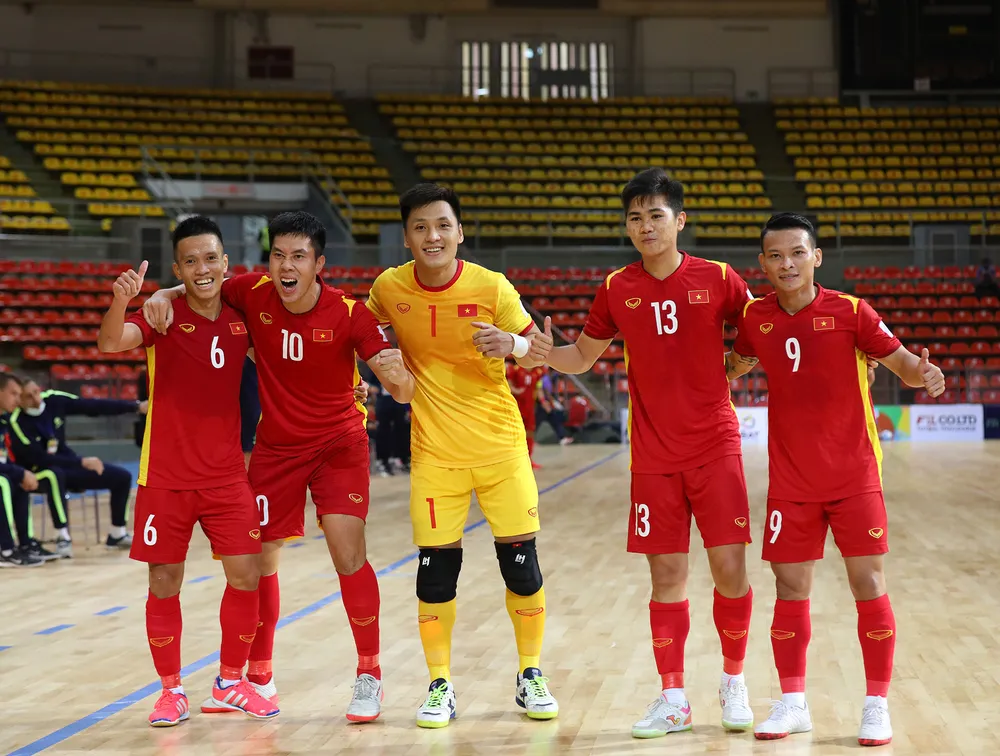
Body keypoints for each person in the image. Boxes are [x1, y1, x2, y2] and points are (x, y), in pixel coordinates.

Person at [142, 210, 415, 723]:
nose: (287, 266)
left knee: (347, 552)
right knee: (259, 561)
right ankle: (258, 675)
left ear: (319, 265)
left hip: (338, 445)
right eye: (279, 255)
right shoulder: (252, 291)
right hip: (276, 449)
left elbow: (401, 390)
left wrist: (397, 379)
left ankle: (369, 673)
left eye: (299, 257)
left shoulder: (350, 313)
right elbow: (202, 282)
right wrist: (164, 294)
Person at [535, 168, 756, 738]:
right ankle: (674, 697)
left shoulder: (719, 277)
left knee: (730, 570)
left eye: (656, 215)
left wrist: (736, 364)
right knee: (666, 576)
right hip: (653, 454)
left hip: (715, 445)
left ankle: (734, 681)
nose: (645, 226)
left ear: (680, 220)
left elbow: (761, 330)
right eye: (635, 218)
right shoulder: (617, 286)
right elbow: (581, 357)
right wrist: (537, 351)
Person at [726, 213, 945, 746]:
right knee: (789, 589)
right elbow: (734, 363)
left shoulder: (851, 311)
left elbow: (902, 363)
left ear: (816, 257)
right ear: (762, 264)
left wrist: (925, 374)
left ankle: (876, 706)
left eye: (797, 253)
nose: (787, 264)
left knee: (868, 585)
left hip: (854, 476)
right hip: (791, 482)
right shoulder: (756, 317)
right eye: (776, 256)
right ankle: (793, 703)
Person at [364, 183, 557, 728]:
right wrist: (369, 372)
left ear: (460, 232)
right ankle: (440, 684)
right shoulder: (388, 287)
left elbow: (540, 353)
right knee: (435, 576)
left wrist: (515, 345)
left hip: (501, 450)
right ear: (406, 238)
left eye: (443, 225)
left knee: (522, 569)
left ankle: (530, 673)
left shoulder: (491, 286)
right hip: (434, 456)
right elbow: (354, 328)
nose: (433, 236)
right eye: (421, 227)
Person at [97, 217, 279, 726]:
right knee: (163, 581)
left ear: (225, 263)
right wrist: (123, 300)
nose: (203, 269)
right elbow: (110, 343)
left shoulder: (243, 315)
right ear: (178, 268)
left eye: (210, 258)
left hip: (227, 476)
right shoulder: (161, 315)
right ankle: (170, 690)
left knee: (247, 575)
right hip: (165, 478)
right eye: (191, 261)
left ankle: (229, 682)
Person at [9, 378, 147, 549]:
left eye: (36, 392)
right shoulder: (16, 421)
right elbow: (40, 458)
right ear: (19, 399)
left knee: (122, 477)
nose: (36, 399)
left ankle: (117, 533)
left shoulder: (53, 400)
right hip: (37, 473)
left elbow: (91, 406)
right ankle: (62, 536)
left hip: (68, 466)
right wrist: (81, 461)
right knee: (54, 475)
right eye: (28, 397)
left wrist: (135, 407)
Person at [0, 373, 46, 567]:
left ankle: (26, 544)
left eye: (20, 395)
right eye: (13, 394)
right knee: (3, 482)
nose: (18, 400)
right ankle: (5, 549)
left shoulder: (3, 422)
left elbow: (4, 460)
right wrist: (20, 472)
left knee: (18, 481)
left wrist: (21, 473)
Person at [507, 361, 540, 468]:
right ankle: (515, 460)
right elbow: (508, 384)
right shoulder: (516, 369)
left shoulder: (536, 372)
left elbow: (537, 388)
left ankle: (529, 459)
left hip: (530, 408)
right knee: (516, 433)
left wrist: (542, 401)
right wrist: (516, 390)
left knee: (530, 432)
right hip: (517, 407)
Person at [535, 366, 572, 446]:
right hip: (543, 404)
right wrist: (546, 402)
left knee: (554, 420)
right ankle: (528, 440)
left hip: (548, 404)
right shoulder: (544, 379)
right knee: (536, 423)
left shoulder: (549, 379)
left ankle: (562, 438)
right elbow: (543, 391)